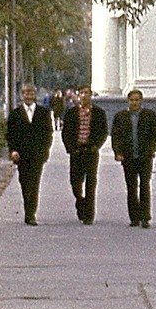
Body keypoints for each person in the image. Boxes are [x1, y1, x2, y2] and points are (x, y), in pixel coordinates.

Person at [112, 89, 156, 227]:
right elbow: (116, 136)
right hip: (128, 156)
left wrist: (152, 150)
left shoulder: (149, 115)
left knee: (145, 186)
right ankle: (134, 217)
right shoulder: (120, 117)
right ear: (128, 101)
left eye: (137, 100)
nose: (134, 103)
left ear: (141, 101)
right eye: (132, 100)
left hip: (145, 156)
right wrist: (118, 152)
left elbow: (154, 135)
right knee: (131, 187)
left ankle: (145, 217)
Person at [7, 83, 53, 226]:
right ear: (22, 95)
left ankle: (30, 213)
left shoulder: (43, 113)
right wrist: (13, 150)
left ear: (35, 94)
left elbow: (48, 133)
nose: (28, 95)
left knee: (34, 183)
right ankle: (28, 208)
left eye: (31, 93)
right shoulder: (15, 114)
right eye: (26, 93)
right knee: (24, 183)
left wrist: (45, 150)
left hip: (37, 155)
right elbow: (10, 134)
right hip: (21, 155)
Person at [61, 85, 108, 224]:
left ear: (91, 95)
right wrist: (70, 148)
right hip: (76, 151)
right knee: (75, 182)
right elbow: (66, 132)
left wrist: (96, 146)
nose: (84, 95)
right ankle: (80, 201)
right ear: (78, 95)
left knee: (91, 182)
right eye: (81, 93)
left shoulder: (99, 113)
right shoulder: (71, 113)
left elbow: (103, 132)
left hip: (91, 151)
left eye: (87, 93)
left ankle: (89, 214)